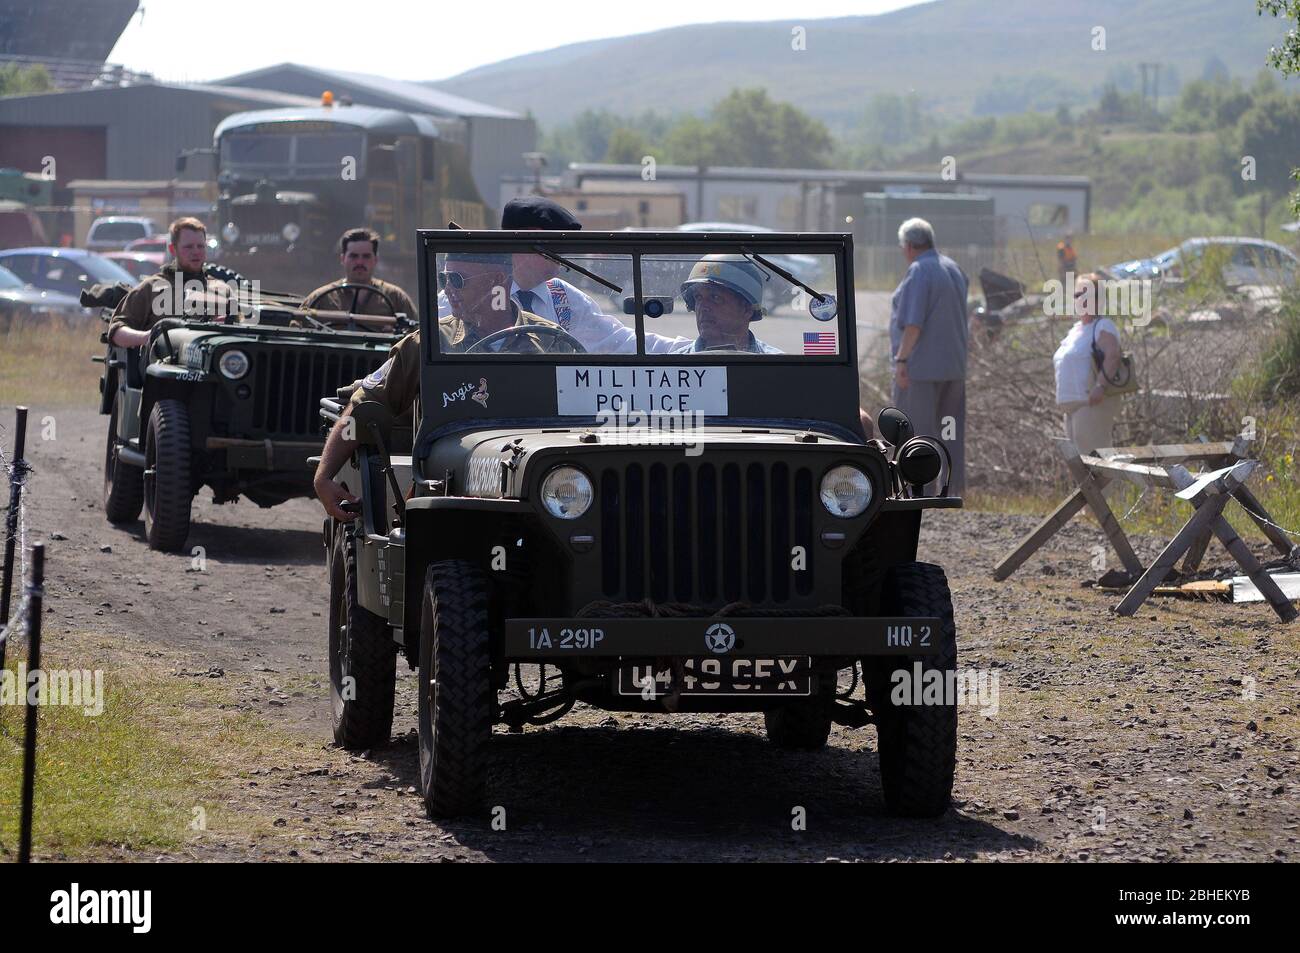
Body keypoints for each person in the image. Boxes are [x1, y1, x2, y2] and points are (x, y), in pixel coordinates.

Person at [312, 251, 564, 520]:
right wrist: (324, 476)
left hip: (542, 488)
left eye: (457, 279)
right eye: (444, 278)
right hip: (446, 495)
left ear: (498, 279)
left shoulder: (549, 342)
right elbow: (365, 403)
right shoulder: (428, 344)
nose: (447, 289)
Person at [445, 196, 686, 353]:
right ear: (529, 239)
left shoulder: (565, 299)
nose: (566, 252)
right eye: (557, 243)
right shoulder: (463, 293)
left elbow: (622, 343)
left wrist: (695, 349)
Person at [889, 217, 968, 494]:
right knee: (950, 432)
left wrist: (901, 360)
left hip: (920, 370)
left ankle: (919, 489)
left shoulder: (919, 271)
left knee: (917, 433)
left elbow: (913, 324)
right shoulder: (954, 268)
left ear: (909, 246)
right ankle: (952, 488)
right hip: (954, 369)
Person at [107, 217, 236, 347]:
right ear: (173, 249)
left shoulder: (222, 289)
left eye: (200, 246)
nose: (196, 251)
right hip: (164, 363)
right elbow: (116, 331)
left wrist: (226, 324)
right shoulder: (152, 287)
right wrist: (147, 338)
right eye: (188, 247)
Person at [1053, 271, 1123, 454]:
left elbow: (1113, 356)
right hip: (1072, 407)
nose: (1083, 299)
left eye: (1089, 295)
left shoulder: (1103, 326)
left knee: (1096, 461)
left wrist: (1100, 386)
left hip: (1091, 404)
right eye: (1078, 294)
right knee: (1079, 465)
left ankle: (1113, 484)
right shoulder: (1076, 330)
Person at [671, 255, 782, 354]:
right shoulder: (672, 366)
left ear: (746, 309)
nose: (703, 307)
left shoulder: (778, 366)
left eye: (715, 298)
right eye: (698, 297)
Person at [303, 227, 417, 318]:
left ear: (375, 260)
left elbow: (416, 335)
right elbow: (297, 329)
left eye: (366, 256)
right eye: (353, 256)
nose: (360, 262)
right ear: (342, 259)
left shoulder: (396, 298)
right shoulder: (322, 298)